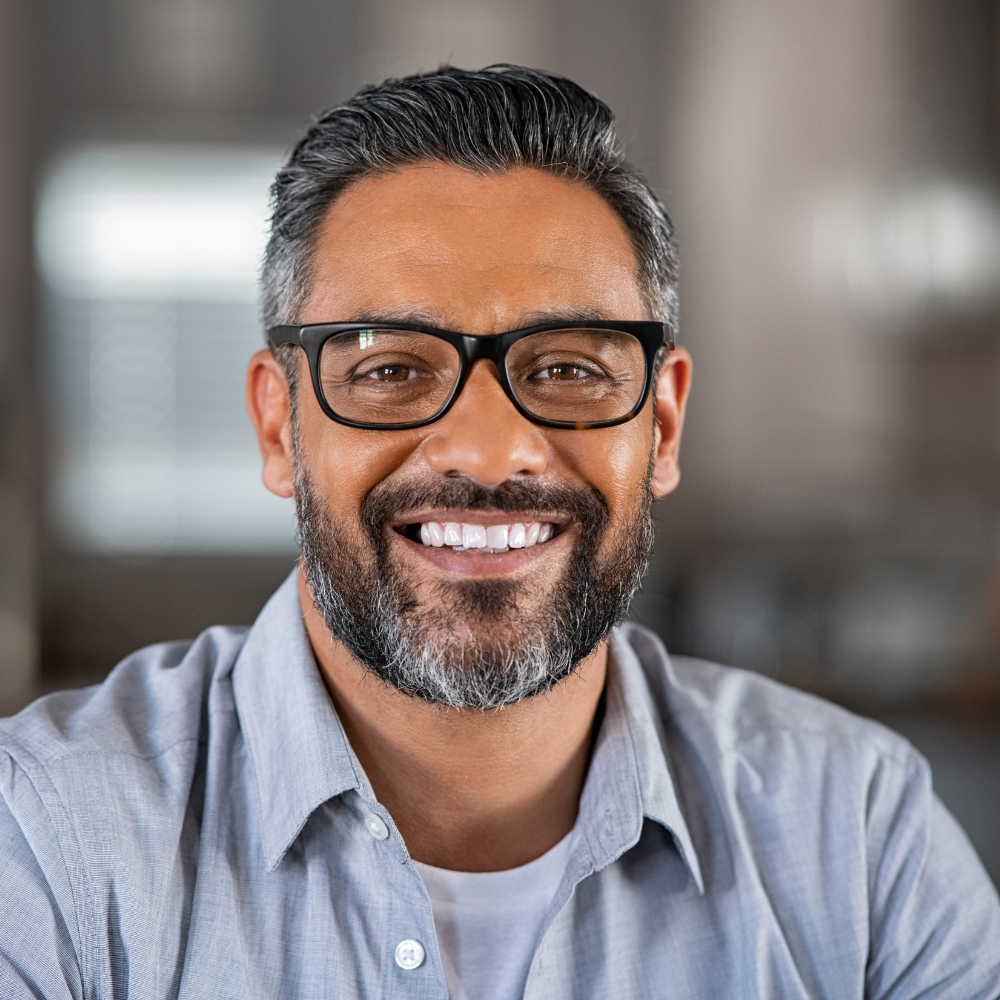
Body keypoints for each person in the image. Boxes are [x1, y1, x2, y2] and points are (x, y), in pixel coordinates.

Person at [1, 65, 998, 1000]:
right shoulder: (45, 836)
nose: (486, 451)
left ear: (659, 423)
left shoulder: (863, 835)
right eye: (390, 368)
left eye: (566, 368)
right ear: (279, 424)